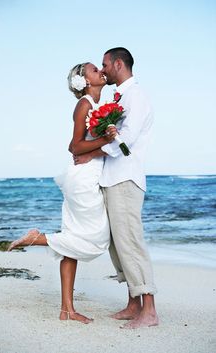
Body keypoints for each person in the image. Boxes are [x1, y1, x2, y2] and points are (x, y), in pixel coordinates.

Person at [8, 62, 115, 324]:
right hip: (83, 179)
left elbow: (87, 149)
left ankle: (66, 310)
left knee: (72, 242)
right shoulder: (84, 105)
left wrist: (99, 149)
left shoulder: (98, 106)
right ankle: (37, 238)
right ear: (85, 81)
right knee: (98, 238)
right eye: (93, 69)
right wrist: (107, 142)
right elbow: (74, 146)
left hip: (86, 174)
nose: (100, 71)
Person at [74, 47, 159, 329]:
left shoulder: (137, 96)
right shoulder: (120, 97)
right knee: (117, 245)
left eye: (105, 64)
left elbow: (127, 140)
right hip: (112, 179)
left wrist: (91, 153)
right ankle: (134, 303)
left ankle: (149, 311)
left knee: (131, 243)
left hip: (125, 179)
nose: (103, 69)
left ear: (118, 64)